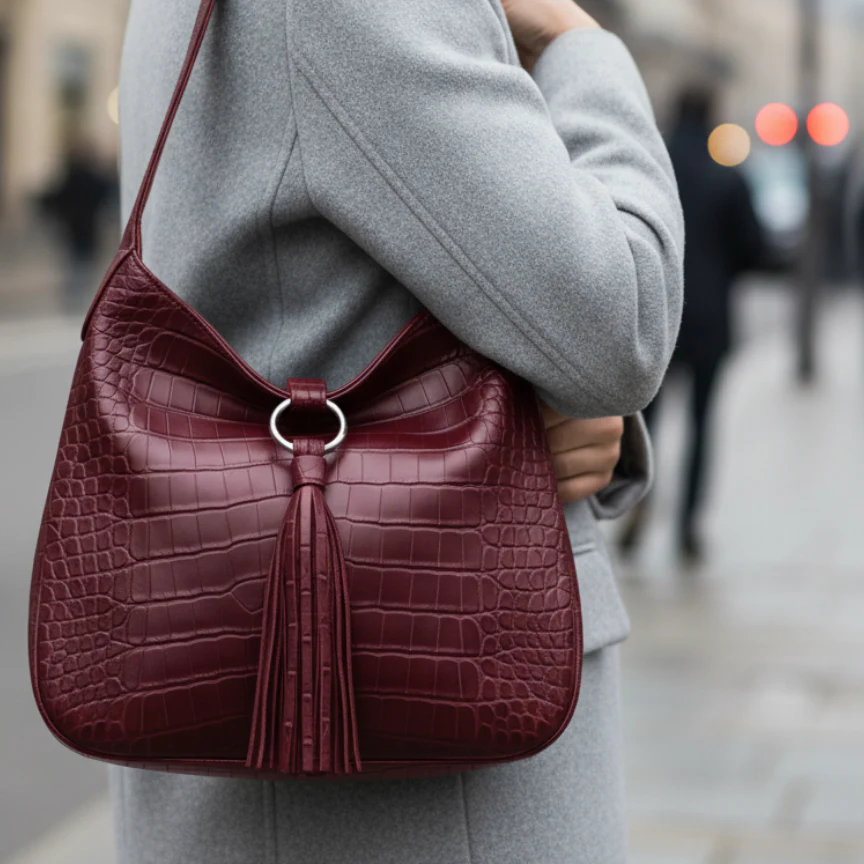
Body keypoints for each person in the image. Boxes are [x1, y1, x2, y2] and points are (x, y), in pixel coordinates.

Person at [111, 0, 683, 861]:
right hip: (419, 782)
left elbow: (294, 303)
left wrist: (554, 419)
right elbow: (622, 321)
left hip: (278, 733)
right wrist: (581, 45)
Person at [620, 86, 764, 563]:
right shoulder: (728, 177)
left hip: (655, 315)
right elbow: (753, 250)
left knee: (646, 421)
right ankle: (688, 526)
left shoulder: (649, 170)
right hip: (708, 323)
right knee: (703, 423)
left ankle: (637, 507)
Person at [39, 140, 114, 313]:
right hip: (86, 226)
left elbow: (56, 199)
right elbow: (103, 194)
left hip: (75, 227)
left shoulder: (70, 177)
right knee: (83, 261)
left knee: (76, 261)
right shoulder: (90, 177)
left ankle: (75, 296)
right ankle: (79, 296)